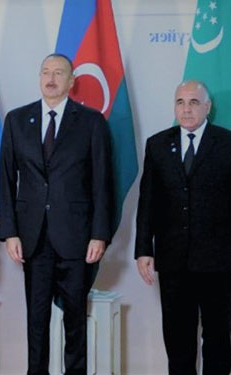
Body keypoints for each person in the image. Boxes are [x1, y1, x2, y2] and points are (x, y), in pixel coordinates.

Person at [0, 53, 113, 375]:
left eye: (59, 73)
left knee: (75, 320)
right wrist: (10, 232)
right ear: (39, 77)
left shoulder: (91, 122)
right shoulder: (17, 120)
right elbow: (6, 180)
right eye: (46, 72)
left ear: (71, 81)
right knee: (36, 321)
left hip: (77, 238)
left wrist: (99, 234)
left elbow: (103, 182)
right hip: (33, 239)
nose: (51, 78)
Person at [135, 80, 231, 374]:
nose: (186, 109)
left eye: (193, 102)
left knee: (217, 339)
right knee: (178, 340)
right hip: (174, 260)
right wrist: (143, 249)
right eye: (180, 102)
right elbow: (147, 200)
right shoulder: (158, 144)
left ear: (207, 107)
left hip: (218, 261)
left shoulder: (226, 143)